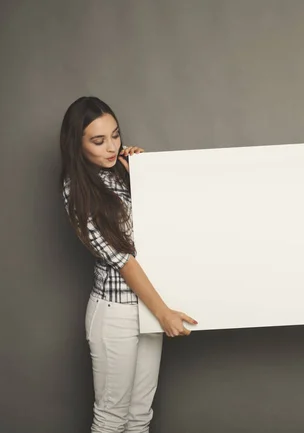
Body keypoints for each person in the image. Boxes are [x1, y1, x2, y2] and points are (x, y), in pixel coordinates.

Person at [60, 96, 198, 433]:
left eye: (115, 136)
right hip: (116, 312)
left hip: (148, 308)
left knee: (140, 416)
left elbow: (163, 229)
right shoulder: (76, 190)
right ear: (76, 145)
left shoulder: (122, 173)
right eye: (98, 140)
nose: (111, 147)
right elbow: (123, 259)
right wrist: (164, 312)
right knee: (111, 418)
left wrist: (143, 174)